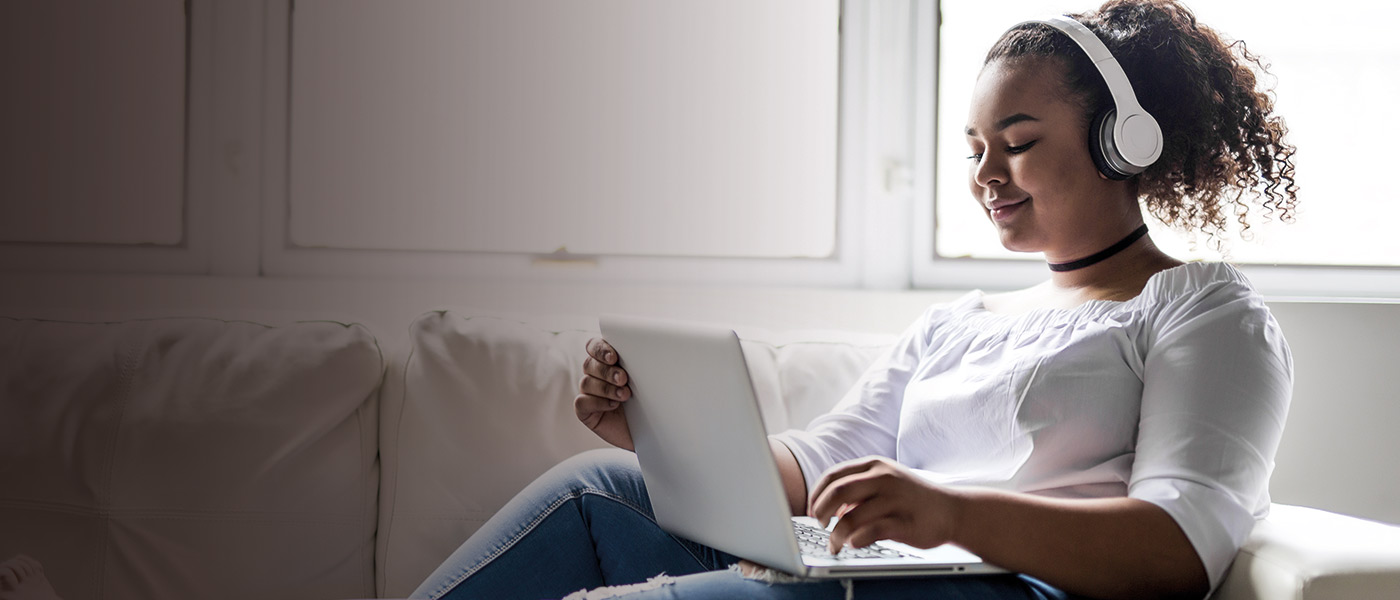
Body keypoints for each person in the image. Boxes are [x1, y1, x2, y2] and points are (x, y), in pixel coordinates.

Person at [412, 1, 1297, 598]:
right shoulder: (960, 325)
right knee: (600, 486)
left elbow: (1181, 546)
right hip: (878, 575)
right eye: (974, 147)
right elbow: (820, 465)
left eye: (1017, 143)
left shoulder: (1202, 312)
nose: (986, 175)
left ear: (1121, 142)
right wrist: (659, 434)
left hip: (1001, 590)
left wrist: (949, 514)